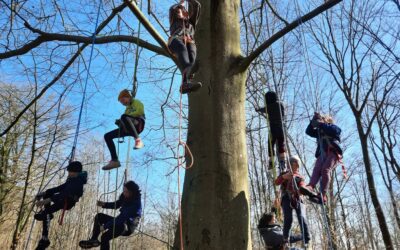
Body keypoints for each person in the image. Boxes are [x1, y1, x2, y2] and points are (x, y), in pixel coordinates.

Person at [34, 161, 87, 250]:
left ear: (76, 172)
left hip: (67, 201)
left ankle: (45, 238)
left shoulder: (78, 182)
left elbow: (64, 194)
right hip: (61, 199)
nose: (68, 173)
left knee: (46, 211)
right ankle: (47, 216)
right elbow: (61, 187)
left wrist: (46, 201)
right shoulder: (72, 178)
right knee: (49, 195)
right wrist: (45, 193)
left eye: (70, 171)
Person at [79, 181, 142, 250]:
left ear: (131, 192)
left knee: (105, 237)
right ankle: (94, 240)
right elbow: (117, 204)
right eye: (123, 191)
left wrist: (105, 226)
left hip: (127, 227)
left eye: (126, 191)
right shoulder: (125, 196)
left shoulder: (136, 204)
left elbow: (121, 218)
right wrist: (105, 204)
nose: (123, 193)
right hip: (120, 222)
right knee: (99, 217)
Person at [300, 112, 342, 204]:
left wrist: (322, 124)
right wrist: (313, 121)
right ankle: (310, 186)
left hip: (333, 152)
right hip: (322, 153)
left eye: (323, 120)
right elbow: (308, 131)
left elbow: (336, 131)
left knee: (325, 170)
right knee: (317, 169)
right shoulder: (319, 132)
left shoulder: (333, 127)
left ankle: (322, 194)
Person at [103, 90, 145, 170]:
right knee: (107, 136)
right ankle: (114, 160)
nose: (123, 103)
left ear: (128, 97)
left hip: (138, 124)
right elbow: (125, 118)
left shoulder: (136, 102)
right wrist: (120, 123)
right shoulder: (127, 109)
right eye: (121, 102)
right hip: (129, 127)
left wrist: (125, 118)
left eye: (123, 100)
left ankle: (138, 140)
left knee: (124, 117)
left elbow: (139, 111)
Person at [274, 156, 311, 249]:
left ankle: (306, 238)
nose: (298, 166)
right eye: (296, 164)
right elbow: (277, 182)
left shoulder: (300, 177)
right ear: (291, 164)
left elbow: (302, 186)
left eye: (298, 164)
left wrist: (302, 190)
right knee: (288, 218)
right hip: (286, 197)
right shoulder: (284, 173)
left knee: (302, 217)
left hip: (298, 198)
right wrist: (284, 177)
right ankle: (286, 239)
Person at [168, 0, 202, 94]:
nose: (182, 13)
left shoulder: (191, 22)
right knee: (182, 50)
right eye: (180, 12)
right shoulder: (174, 20)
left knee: (191, 63)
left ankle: (185, 84)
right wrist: (181, 4)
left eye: (184, 11)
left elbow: (197, 6)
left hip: (190, 42)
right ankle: (187, 78)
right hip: (176, 40)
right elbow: (173, 9)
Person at [256, 91, 286, 171]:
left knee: (270, 145)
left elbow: (263, 109)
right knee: (281, 145)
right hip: (280, 129)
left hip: (273, 129)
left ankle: (271, 162)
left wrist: (257, 109)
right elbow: (283, 114)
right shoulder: (280, 105)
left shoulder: (270, 107)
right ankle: (283, 161)